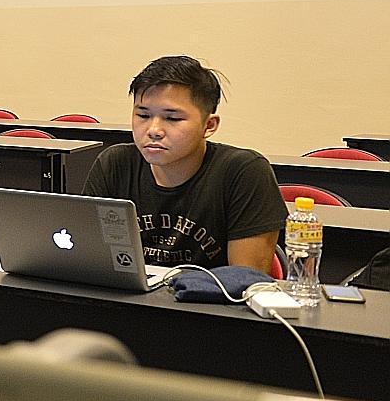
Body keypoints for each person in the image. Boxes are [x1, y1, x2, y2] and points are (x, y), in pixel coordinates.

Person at [83, 55, 284, 272]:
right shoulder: (114, 164)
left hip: (206, 304)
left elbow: (247, 281)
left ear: (209, 125)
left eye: (173, 119)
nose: (154, 130)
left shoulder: (244, 172)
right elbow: (88, 258)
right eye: (143, 115)